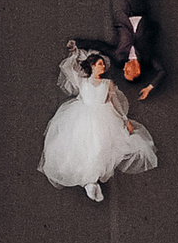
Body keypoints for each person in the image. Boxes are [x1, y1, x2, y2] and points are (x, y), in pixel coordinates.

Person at [40, 49, 158, 201]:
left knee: (99, 148)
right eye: (100, 64)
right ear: (93, 66)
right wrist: (75, 54)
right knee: (82, 147)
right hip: (82, 116)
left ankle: (91, 181)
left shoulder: (107, 84)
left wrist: (124, 119)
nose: (103, 67)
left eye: (102, 64)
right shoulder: (82, 81)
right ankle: (89, 182)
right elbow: (68, 69)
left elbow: (114, 103)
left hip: (103, 117)